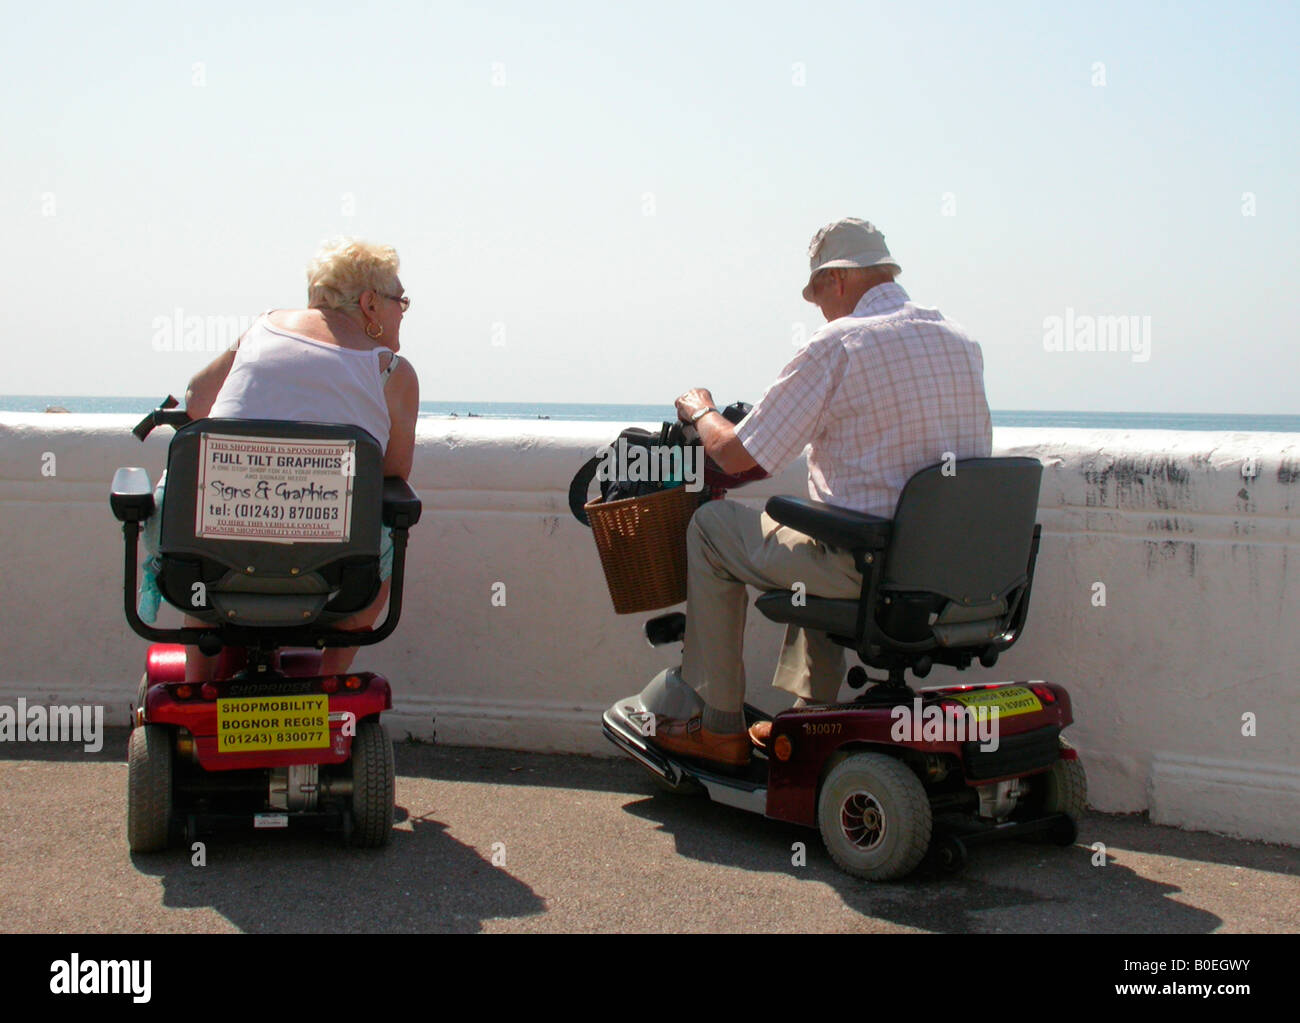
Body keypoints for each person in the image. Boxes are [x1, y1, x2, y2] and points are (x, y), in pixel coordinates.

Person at [653, 218, 992, 768]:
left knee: (715, 529)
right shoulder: (960, 337)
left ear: (836, 280)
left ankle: (716, 728)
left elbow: (740, 456)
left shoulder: (841, 343)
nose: (818, 308)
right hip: (957, 574)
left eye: (816, 294)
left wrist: (701, 411)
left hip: (874, 570)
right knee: (823, 523)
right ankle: (810, 719)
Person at [142, 238, 420, 681]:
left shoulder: (264, 328)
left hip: (210, 555)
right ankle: (327, 684)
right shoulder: (392, 372)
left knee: (203, 522)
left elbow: (196, 402)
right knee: (384, 527)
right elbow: (391, 471)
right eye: (398, 300)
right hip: (334, 567)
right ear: (369, 303)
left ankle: (197, 683)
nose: (403, 310)